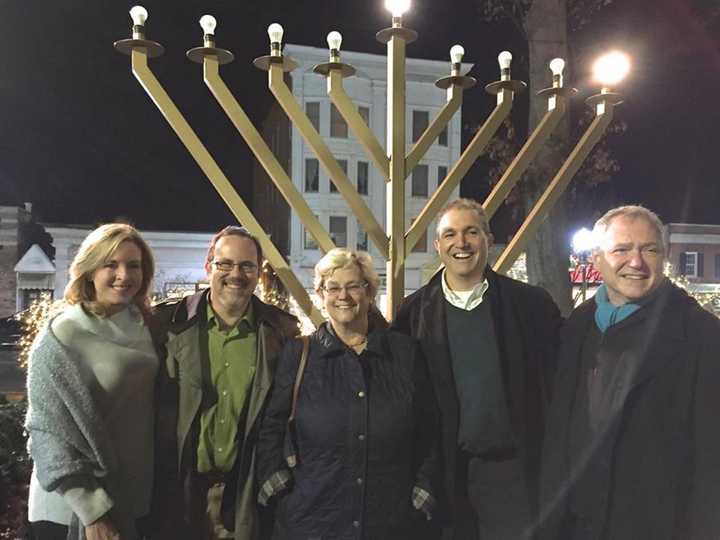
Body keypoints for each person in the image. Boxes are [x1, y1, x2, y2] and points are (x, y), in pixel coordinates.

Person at [540, 205, 720, 540]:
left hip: (657, 525)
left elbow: (712, 459)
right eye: (621, 249)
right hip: (579, 523)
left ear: (663, 257)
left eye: (649, 249)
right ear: (596, 259)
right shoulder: (576, 327)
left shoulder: (701, 334)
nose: (635, 262)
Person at [393, 198, 562, 540]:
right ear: (438, 246)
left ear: (488, 238)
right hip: (446, 476)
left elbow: (560, 382)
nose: (462, 243)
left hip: (513, 474)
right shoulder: (412, 315)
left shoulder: (530, 305)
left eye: (471, 232)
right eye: (451, 234)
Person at [256, 248, 440, 540]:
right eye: (333, 287)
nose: (343, 295)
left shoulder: (404, 353)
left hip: (390, 522)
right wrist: (278, 490)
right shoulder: (298, 354)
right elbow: (271, 427)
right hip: (312, 520)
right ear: (320, 294)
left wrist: (423, 490)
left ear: (369, 293)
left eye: (354, 286)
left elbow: (430, 427)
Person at [151, 226, 299, 540]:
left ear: (259, 273)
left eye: (247, 266)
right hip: (180, 493)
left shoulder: (281, 333)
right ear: (208, 267)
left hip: (244, 496)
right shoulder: (166, 325)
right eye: (225, 264)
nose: (236, 274)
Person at [26, 223, 158, 540]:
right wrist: (91, 509)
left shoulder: (144, 324)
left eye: (133, 265)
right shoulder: (64, 332)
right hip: (73, 508)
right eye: (110, 264)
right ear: (89, 270)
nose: (124, 275)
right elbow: (46, 430)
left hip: (129, 498)